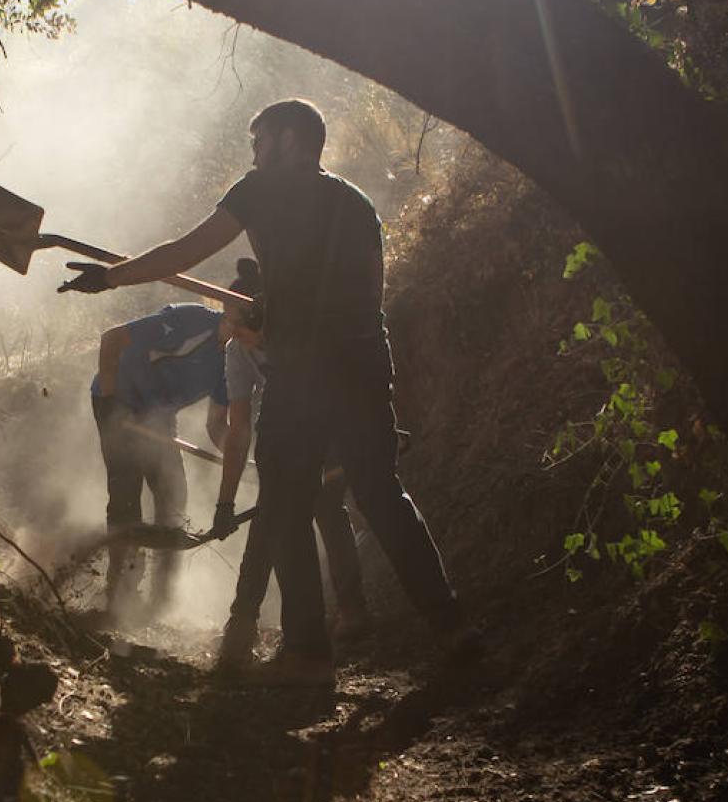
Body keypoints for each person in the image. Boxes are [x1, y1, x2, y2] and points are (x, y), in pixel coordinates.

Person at [61, 99, 466, 687]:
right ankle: (454, 627)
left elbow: (186, 251)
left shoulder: (258, 189)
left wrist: (110, 276)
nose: (253, 151)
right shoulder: (358, 203)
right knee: (382, 493)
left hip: (302, 366)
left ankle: (307, 654)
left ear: (290, 139)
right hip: (364, 359)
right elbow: (372, 295)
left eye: (260, 140)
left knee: (285, 501)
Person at [208, 258, 371, 675]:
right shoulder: (236, 353)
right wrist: (224, 503)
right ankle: (242, 628)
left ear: (265, 316)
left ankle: (352, 612)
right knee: (270, 520)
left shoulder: (307, 334)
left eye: (236, 322)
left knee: (327, 512)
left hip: (329, 429)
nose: (230, 332)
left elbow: (351, 389)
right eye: (227, 322)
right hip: (284, 433)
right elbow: (238, 427)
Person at [87, 301, 230, 622]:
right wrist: (111, 405)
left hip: (159, 419)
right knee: (126, 491)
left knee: (173, 495)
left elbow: (217, 425)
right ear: (233, 313)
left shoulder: (232, 358)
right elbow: (112, 339)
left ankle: (161, 599)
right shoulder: (190, 320)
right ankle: (119, 590)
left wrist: (239, 460)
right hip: (117, 402)